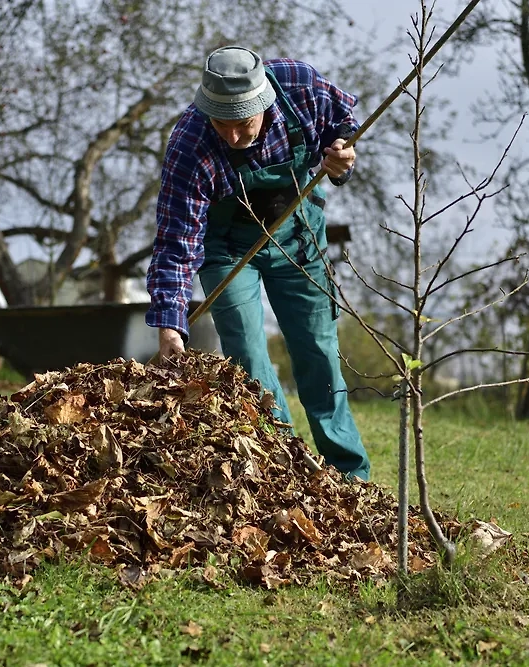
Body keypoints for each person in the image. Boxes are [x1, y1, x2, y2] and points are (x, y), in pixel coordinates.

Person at [145, 45, 371, 482]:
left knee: (318, 351)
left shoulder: (300, 87)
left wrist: (342, 158)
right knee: (247, 356)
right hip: (227, 248)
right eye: (221, 123)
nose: (231, 137)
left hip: (297, 236)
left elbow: (343, 127)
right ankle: (285, 468)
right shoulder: (190, 145)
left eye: (242, 123)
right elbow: (176, 240)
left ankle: (349, 476)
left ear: (263, 103)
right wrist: (170, 324)